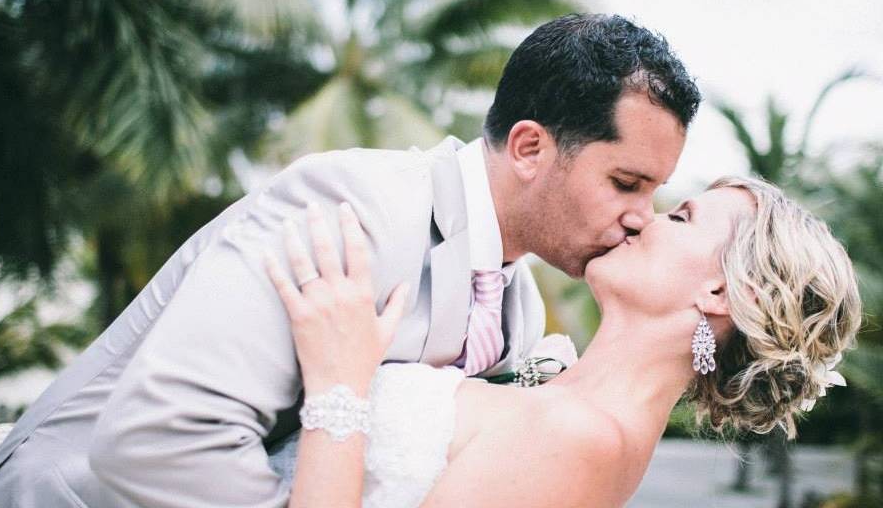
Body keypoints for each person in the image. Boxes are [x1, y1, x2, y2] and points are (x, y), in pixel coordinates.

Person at [0, 14, 700, 508]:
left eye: (655, 191)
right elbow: (162, 439)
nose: (642, 215)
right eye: (626, 182)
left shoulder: (521, 306)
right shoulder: (355, 207)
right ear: (532, 147)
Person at [264, 177, 862, 508]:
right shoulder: (554, 388)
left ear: (726, 293)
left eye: (680, 218)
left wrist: (338, 388)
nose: (642, 218)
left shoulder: (582, 441)